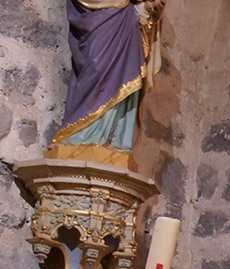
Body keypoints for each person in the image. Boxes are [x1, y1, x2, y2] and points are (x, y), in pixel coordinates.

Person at [48, 0, 165, 170]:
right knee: (97, 66)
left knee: (127, 71)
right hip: (103, 16)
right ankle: (81, 136)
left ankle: (116, 139)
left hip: (127, 21)